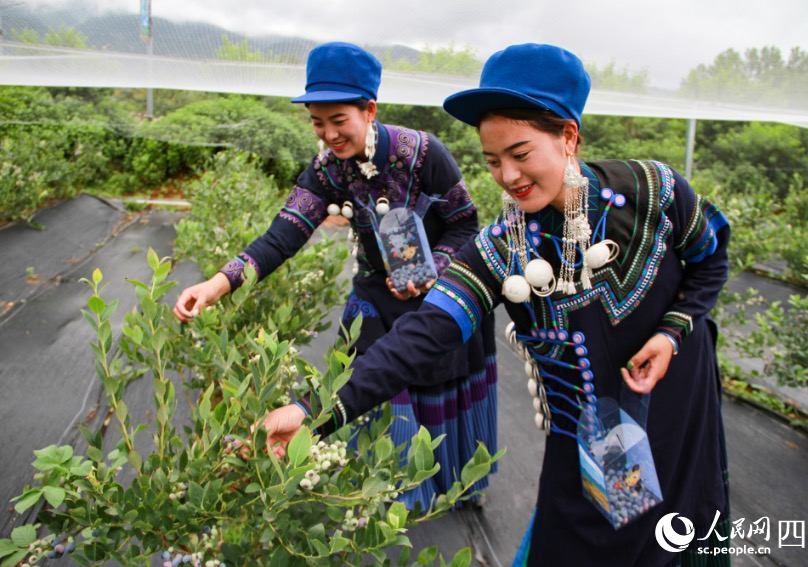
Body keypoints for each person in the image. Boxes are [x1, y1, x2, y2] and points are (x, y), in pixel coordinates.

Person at [262, 43, 731, 566]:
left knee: (686, 529)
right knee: (591, 544)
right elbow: (422, 336)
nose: (507, 176)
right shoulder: (500, 249)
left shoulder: (654, 191)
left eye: (521, 154)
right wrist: (313, 413)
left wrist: (672, 332)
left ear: (567, 136)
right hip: (594, 439)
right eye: (492, 161)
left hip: (679, 401)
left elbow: (710, 260)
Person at [173, 42, 498, 509]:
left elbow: (466, 222)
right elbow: (282, 236)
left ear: (369, 109)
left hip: (439, 297)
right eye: (317, 122)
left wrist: (434, 270)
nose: (328, 134)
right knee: (365, 388)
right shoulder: (326, 170)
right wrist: (217, 284)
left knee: (435, 392)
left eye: (337, 120)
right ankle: (384, 491)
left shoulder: (424, 153)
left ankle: (451, 487)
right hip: (375, 297)